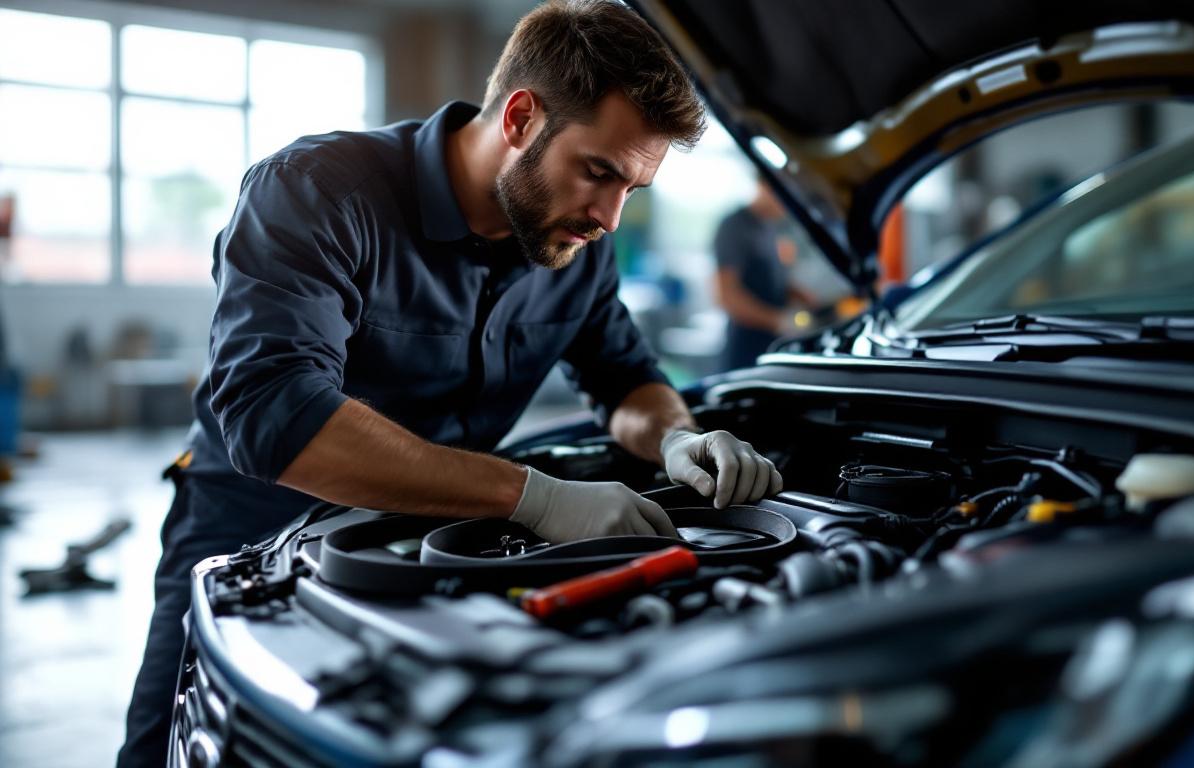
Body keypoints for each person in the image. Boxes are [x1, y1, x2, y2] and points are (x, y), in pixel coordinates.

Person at [117, 2, 784, 764]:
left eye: (633, 190)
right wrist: (538, 497)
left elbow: (625, 378)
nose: (608, 216)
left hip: (439, 538)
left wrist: (677, 437)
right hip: (251, 538)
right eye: (599, 172)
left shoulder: (576, 247)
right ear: (523, 118)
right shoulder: (317, 193)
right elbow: (277, 419)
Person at [714, 178, 817, 370]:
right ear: (764, 185)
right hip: (744, 351)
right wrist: (778, 321)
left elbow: (769, 279)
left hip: (771, 346)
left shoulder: (769, 227)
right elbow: (727, 296)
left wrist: (796, 293)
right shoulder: (735, 226)